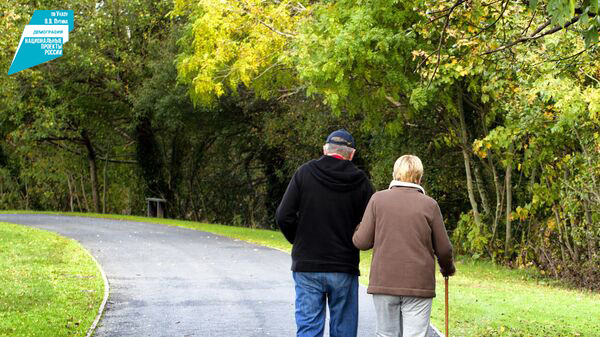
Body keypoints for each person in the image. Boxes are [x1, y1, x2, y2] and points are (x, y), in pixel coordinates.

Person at [276, 129, 374, 337]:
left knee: (309, 329)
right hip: (343, 265)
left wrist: (299, 240)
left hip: (308, 264)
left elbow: (283, 215)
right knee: (344, 331)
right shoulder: (360, 181)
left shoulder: (304, 173)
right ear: (352, 154)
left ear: (324, 149)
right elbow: (371, 222)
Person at [352, 155, 455, 337]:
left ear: (394, 174)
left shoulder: (378, 200)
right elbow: (444, 249)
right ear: (419, 177)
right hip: (419, 284)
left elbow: (362, 242)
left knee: (386, 334)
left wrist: (360, 226)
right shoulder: (430, 205)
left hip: (384, 282)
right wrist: (447, 269)